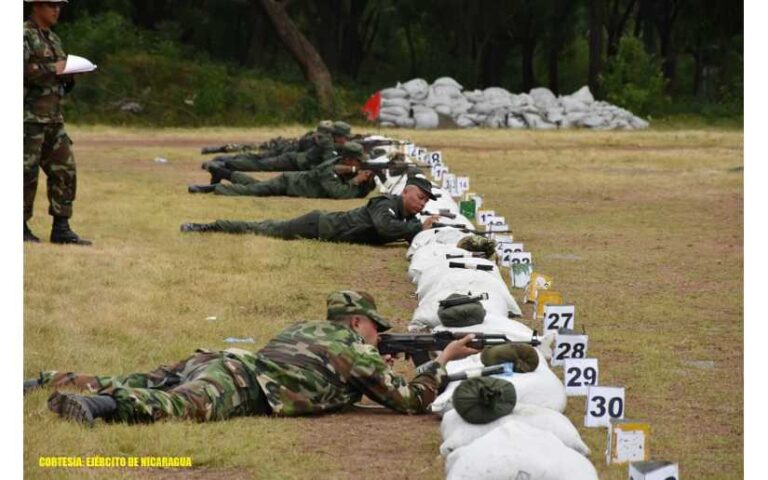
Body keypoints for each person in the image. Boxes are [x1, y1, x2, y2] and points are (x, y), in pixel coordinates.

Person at [28, 290, 480, 426]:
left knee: (143, 378)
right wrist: (441, 361)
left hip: (219, 360)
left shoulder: (306, 327)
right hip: (239, 380)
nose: (379, 335)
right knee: (178, 406)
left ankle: (52, 378)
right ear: (357, 322)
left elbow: (325, 373)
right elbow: (408, 402)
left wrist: (377, 361)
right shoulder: (351, 348)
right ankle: (96, 407)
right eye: (375, 327)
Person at [180, 176, 441, 245]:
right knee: (263, 228)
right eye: (419, 197)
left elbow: (405, 233)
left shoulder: (406, 216)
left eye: (425, 202)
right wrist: (418, 226)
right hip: (317, 225)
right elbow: (385, 228)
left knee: (266, 226)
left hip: (323, 229)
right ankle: (207, 226)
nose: (421, 204)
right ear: (405, 191)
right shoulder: (384, 204)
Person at [24, 0, 90, 245]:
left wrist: (69, 75)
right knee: (24, 174)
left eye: (59, 6)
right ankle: (19, 226)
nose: (57, 10)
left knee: (65, 169)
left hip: (53, 118)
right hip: (28, 119)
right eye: (52, 5)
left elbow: (58, 79)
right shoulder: (22, 35)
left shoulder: (54, 38)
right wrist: (55, 68)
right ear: (36, 6)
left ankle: (61, 227)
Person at [188, 142, 376, 199]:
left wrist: (368, 180)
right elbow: (337, 193)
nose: (361, 164)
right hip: (288, 183)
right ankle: (210, 189)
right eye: (358, 161)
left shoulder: (342, 165)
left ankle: (222, 173)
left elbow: (360, 192)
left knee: (257, 185)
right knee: (252, 191)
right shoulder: (330, 169)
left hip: (290, 183)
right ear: (349, 159)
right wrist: (356, 180)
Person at [203, 121, 352, 176]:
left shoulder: (327, 141)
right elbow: (327, 163)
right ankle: (223, 164)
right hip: (293, 161)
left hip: (294, 160)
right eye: (345, 137)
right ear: (337, 136)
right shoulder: (327, 143)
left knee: (260, 159)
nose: (347, 140)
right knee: (261, 164)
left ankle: (224, 160)